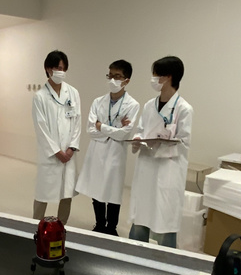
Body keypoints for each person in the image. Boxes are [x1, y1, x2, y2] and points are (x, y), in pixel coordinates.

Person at [128, 56, 193, 248]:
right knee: (142, 214)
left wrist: (162, 142)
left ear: (168, 77)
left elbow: (184, 143)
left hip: (168, 170)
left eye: (156, 75)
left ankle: (164, 258)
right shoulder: (149, 105)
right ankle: (135, 255)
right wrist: (138, 139)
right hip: (146, 166)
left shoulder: (184, 109)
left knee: (164, 217)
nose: (154, 79)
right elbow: (141, 130)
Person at [75, 60, 141, 235]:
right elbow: (90, 130)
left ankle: (111, 227)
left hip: (116, 153)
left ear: (126, 80)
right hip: (97, 151)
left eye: (117, 76)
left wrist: (101, 126)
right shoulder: (98, 102)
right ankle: (99, 224)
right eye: (110, 75)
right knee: (96, 187)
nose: (112, 80)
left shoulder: (132, 105)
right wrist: (114, 130)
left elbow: (124, 134)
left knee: (113, 190)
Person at [32, 50, 81, 224]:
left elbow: (77, 121)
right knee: (43, 192)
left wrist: (71, 147)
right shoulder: (40, 97)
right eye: (55, 68)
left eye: (62, 68)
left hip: (69, 153)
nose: (59, 71)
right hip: (51, 154)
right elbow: (41, 128)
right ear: (47, 69)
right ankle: (35, 225)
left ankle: (61, 226)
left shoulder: (73, 93)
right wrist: (57, 151)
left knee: (67, 192)